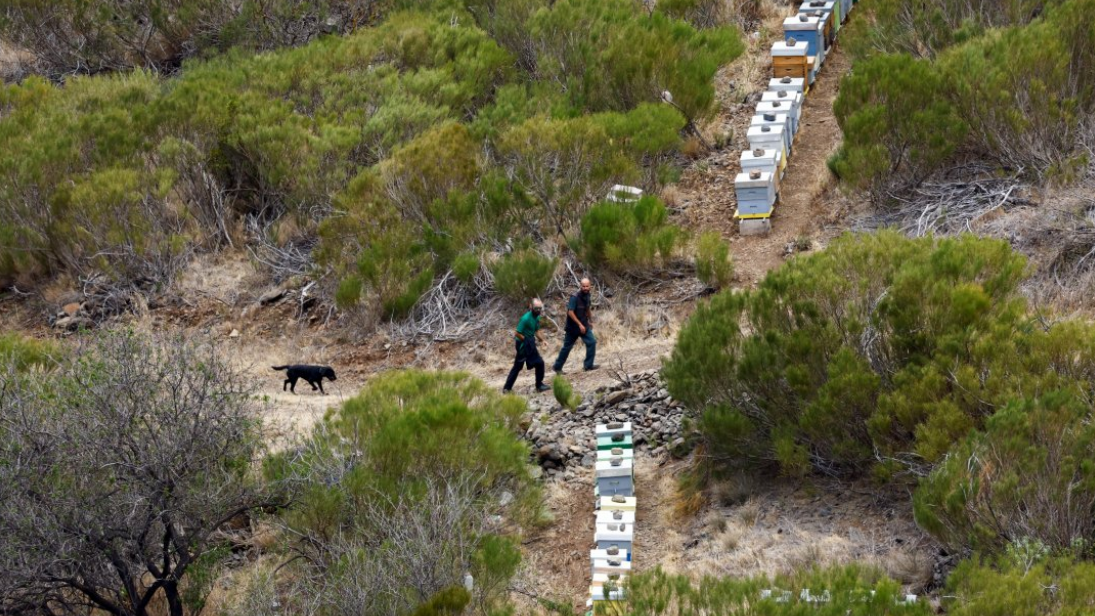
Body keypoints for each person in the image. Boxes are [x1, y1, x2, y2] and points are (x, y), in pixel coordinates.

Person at [503, 298, 551, 394]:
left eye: (540, 308)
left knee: (539, 363)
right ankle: (507, 389)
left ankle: (539, 385)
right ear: (530, 306)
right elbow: (517, 333)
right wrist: (526, 341)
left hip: (529, 342)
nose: (538, 310)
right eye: (536, 308)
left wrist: (542, 340)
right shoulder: (525, 318)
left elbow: (536, 331)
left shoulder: (537, 317)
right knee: (518, 366)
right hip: (522, 344)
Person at [553, 278, 599, 373]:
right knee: (567, 347)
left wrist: (590, 320)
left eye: (587, 286)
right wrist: (579, 324)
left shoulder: (587, 296)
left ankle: (588, 365)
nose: (585, 288)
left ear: (590, 286)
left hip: (584, 325)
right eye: (583, 286)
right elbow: (570, 312)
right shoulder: (574, 297)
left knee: (592, 342)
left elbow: (587, 309)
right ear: (580, 286)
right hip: (573, 327)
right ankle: (557, 367)